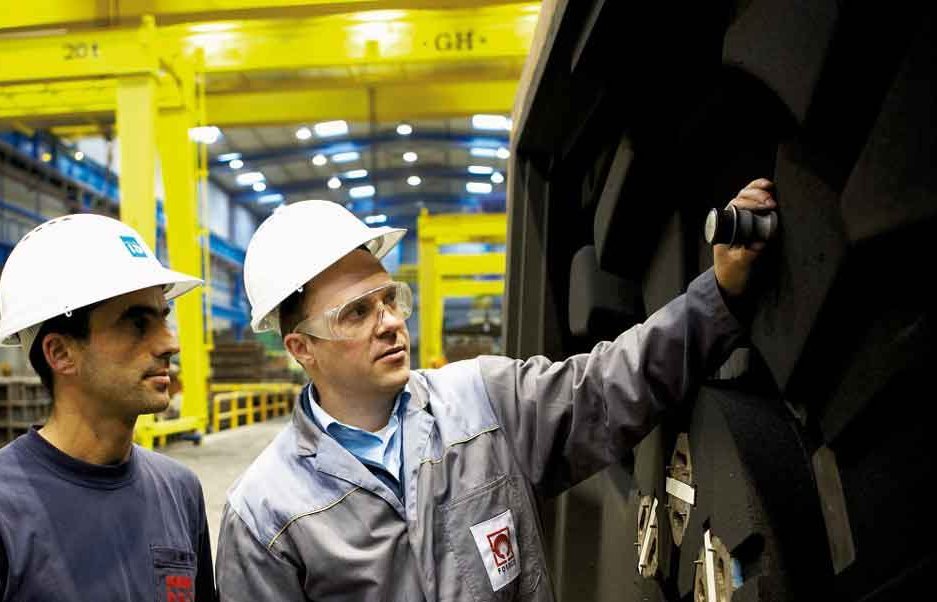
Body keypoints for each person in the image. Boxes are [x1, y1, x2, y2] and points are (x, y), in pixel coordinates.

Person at [216, 179, 777, 600]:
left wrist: (719, 295)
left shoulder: (483, 401)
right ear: (301, 349)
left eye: (389, 299)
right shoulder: (268, 512)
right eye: (356, 313)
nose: (388, 321)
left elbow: (609, 385)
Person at [0, 214, 216, 601]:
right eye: (137, 324)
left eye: (163, 320)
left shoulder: (180, 490)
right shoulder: (6, 509)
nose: (170, 344)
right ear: (61, 352)